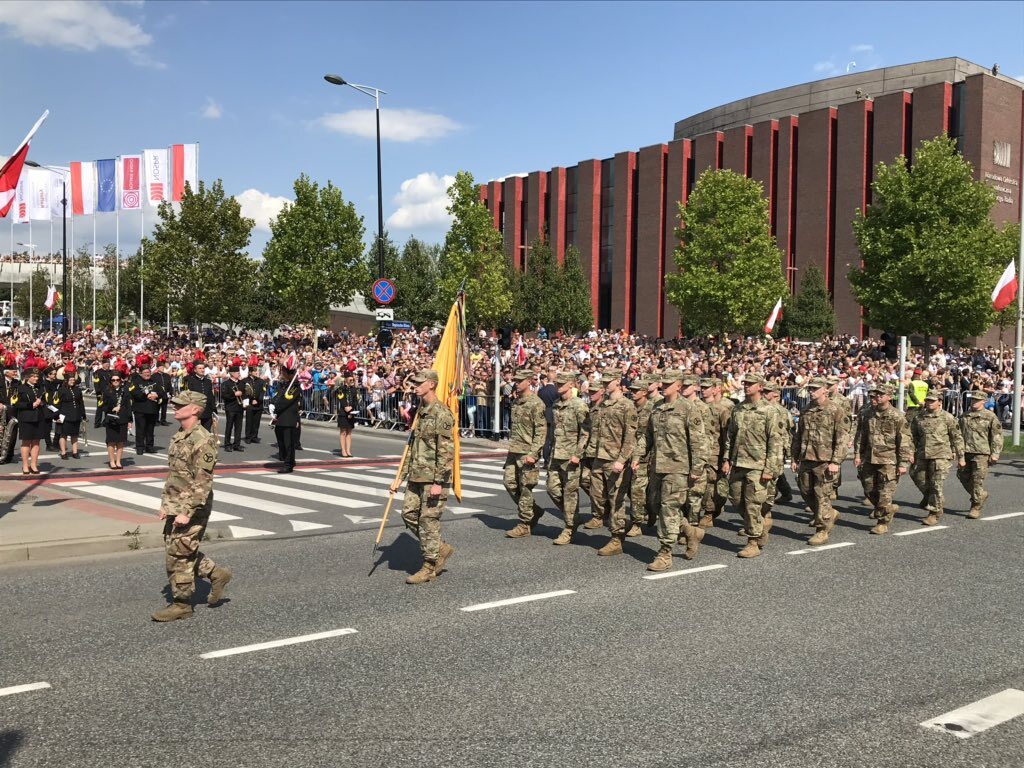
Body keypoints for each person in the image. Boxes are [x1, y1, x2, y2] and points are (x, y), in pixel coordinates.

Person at [151, 390, 232, 622]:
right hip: (177, 503)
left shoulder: (202, 439)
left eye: (181, 405)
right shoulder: (180, 435)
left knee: (179, 555)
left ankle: (182, 604)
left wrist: (187, 512)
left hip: (193, 505)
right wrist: (166, 505)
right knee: (178, 549)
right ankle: (217, 574)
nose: (175, 408)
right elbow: (176, 475)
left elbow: (202, 481)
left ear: (195, 409)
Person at [635, 370, 709, 571]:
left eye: (669, 384)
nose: (665, 387)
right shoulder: (657, 408)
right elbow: (647, 436)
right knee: (656, 506)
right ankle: (690, 531)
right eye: (663, 383)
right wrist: (637, 456)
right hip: (657, 466)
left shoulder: (688, 409)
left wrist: (697, 468)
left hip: (678, 468)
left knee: (668, 509)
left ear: (678, 386)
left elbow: (699, 441)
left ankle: (665, 553)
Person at [389, 369, 456, 585]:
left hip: (433, 478)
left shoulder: (441, 414)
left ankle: (429, 565)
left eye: (419, 382)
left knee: (428, 520)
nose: (415, 386)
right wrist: (400, 476)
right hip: (416, 475)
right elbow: (412, 447)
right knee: (408, 514)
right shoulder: (420, 412)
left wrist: (438, 482)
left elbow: (446, 452)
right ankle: (439, 548)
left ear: (432, 384)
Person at [722, 373, 782, 558]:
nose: (746, 386)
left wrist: (769, 468)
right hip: (738, 462)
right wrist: (726, 459)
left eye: (751, 383)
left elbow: (775, 441)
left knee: (752, 503)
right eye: (745, 383)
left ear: (760, 387)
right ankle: (759, 524)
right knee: (735, 498)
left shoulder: (769, 410)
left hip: (758, 464)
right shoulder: (738, 409)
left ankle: (753, 541)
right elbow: (730, 436)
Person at [790, 378, 849, 547]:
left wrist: (836, 461)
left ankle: (822, 529)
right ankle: (829, 513)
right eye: (810, 388)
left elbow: (842, 438)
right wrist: (794, 458)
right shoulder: (806, 410)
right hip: (807, 458)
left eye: (815, 389)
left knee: (821, 495)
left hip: (825, 460)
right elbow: (798, 435)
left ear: (825, 390)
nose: (811, 391)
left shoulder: (835, 410)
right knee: (805, 491)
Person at [588, 369, 638, 556]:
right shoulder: (602, 406)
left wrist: (622, 459)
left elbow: (630, 437)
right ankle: (614, 527)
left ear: (617, 382)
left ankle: (617, 538)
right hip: (599, 458)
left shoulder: (626, 406)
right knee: (596, 496)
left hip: (615, 460)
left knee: (616, 499)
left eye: (609, 381)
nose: (605, 384)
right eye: (604, 380)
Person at [853, 383, 913, 534]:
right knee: (869, 490)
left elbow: (904, 440)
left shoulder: (897, 416)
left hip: (889, 461)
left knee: (884, 494)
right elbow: (861, 436)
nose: (878, 397)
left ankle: (883, 522)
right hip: (869, 459)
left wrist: (903, 463)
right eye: (876, 394)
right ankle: (887, 508)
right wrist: (857, 454)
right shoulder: (867, 413)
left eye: (881, 394)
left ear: (889, 397)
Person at [546, 372, 591, 546]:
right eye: (557, 383)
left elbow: (585, 432)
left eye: (562, 383)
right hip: (556, 455)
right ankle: (573, 516)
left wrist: (578, 454)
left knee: (570, 493)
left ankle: (569, 528)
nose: (558, 386)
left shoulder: (579, 406)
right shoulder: (557, 404)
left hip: (571, 457)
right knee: (552, 489)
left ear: (571, 384)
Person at [909, 390, 965, 526]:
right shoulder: (919, 417)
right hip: (922, 454)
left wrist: (961, 457)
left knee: (936, 484)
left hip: (941, 456)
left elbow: (957, 437)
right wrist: (911, 452)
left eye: (932, 400)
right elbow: (912, 436)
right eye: (927, 400)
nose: (929, 403)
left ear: (940, 402)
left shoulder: (948, 417)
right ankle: (933, 499)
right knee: (917, 476)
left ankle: (934, 513)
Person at [503, 369, 547, 538]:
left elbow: (541, 431)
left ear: (529, 382)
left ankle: (525, 523)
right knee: (509, 483)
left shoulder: (536, 404)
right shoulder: (516, 402)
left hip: (527, 452)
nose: (516, 383)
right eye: (515, 380)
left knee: (526, 487)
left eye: (520, 380)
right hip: (514, 450)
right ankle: (533, 510)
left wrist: (534, 453)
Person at [957, 390, 1001, 519]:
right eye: (972, 399)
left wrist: (995, 453)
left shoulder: (990, 416)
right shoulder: (965, 415)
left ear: (984, 401)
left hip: (981, 453)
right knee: (963, 477)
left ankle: (976, 506)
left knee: (977, 480)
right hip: (965, 452)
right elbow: (958, 435)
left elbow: (996, 436)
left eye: (977, 400)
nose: (974, 402)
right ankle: (981, 494)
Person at [698, 377, 734, 529]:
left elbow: (728, 436)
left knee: (710, 485)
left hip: (714, 453)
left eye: (707, 387)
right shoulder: (696, 407)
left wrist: (726, 458)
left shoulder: (722, 410)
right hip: (698, 453)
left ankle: (709, 513)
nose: (703, 390)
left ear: (715, 389)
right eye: (702, 387)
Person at [12, 364, 47, 474]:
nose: (36, 378)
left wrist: (41, 403)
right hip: (26, 418)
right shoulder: (20, 388)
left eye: (37, 376)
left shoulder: (40, 388)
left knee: (36, 442)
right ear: (27, 377)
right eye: (34, 376)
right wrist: (30, 405)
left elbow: (46, 401)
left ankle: (34, 465)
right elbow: (15, 403)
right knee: (26, 442)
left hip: (39, 417)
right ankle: (25, 465)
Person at [270, 365, 300, 473]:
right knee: (281, 442)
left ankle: (288, 464)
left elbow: (287, 401)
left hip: (288, 418)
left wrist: (276, 407)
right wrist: (271, 403)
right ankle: (287, 460)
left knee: (288, 443)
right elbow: (278, 396)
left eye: (283, 372)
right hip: (280, 418)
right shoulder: (285, 385)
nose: (282, 374)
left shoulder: (294, 386)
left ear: (288, 373)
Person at [54, 365, 86, 459]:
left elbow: (81, 403)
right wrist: (56, 417)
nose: (72, 381)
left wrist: (83, 414)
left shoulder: (78, 390)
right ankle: (63, 452)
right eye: (70, 380)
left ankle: (75, 452)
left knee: (74, 434)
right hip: (64, 415)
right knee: (63, 434)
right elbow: (56, 404)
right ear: (66, 381)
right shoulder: (61, 390)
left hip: (75, 415)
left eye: (73, 379)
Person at [130, 366, 163, 455]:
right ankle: (140, 447)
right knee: (140, 429)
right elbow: (133, 393)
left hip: (152, 409)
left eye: (148, 372)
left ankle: (149, 446)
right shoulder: (136, 381)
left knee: (150, 429)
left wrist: (156, 395)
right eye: (145, 372)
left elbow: (162, 392)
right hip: (140, 408)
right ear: (141, 374)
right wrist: (146, 394)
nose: (147, 374)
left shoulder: (155, 381)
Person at [103, 370, 132, 470]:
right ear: (110, 381)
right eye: (113, 380)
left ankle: (118, 461)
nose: (115, 381)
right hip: (111, 418)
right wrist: (112, 408)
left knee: (120, 441)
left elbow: (128, 406)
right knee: (111, 441)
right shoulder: (107, 391)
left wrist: (130, 420)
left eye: (117, 380)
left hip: (122, 418)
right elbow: (103, 407)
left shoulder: (125, 390)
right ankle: (112, 461)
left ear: (120, 381)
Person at [183, 358, 216, 432]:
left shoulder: (208, 381)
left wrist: (213, 410)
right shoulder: (190, 380)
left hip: (207, 412)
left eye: (203, 368)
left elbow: (211, 397)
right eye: (200, 368)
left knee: (206, 433)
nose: (202, 370)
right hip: (195, 412)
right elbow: (187, 396)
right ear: (195, 370)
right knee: (195, 434)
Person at [221, 358, 245, 453]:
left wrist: (244, 399)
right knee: (229, 426)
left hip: (239, 408)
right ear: (232, 373)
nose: (239, 373)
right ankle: (227, 444)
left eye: (239, 372)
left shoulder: (241, 383)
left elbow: (245, 393)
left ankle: (236, 444)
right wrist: (234, 395)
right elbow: (224, 395)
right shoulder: (226, 384)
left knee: (238, 427)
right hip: (230, 407)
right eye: (237, 372)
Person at [334, 374, 358, 458]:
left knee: (349, 432)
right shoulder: (341, 389)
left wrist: (352, 407)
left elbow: (356, 400)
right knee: (343, 432)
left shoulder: (354, 389)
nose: (352, 381)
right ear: (346, 380)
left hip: (351, 412)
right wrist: (345, 407)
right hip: (343, 412)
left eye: (353, 380)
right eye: (350, 380)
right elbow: (341, 398)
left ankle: (348, 450)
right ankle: (343, 450)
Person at [243, 359, 265, 445]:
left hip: (258, 404)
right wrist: (251, 401)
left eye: (257, 371)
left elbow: (263, 391)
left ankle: (254, 436)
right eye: (255, 371)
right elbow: (244, 393)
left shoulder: (261, 381)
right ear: (250, 372)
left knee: (256, 421)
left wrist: (258, 400)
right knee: (249, 421)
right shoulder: (245, 381)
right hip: (250, 404)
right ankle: (248, 437)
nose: (257, 373)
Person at [41, 366, 59, 451]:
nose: (55, 375)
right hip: (48, 407)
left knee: (59, 425)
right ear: (48, 375)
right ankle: (49, 444)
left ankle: (55, 443)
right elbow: (45, 398)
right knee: (47, 427)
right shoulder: (44, 384)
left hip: (56, 406)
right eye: (54, 374)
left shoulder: (55, 382)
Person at [154, 355, 173, 425]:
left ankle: (163, 420)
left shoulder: (167, 376)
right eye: (161, 367)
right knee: (156, 408)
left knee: (164, 408)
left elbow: (169, 385)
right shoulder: (154, 376)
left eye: (163, 367)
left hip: (165, 394)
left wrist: (170, 393)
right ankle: (156, 420)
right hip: (158, 395)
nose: (162, 368)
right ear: (158, 368)